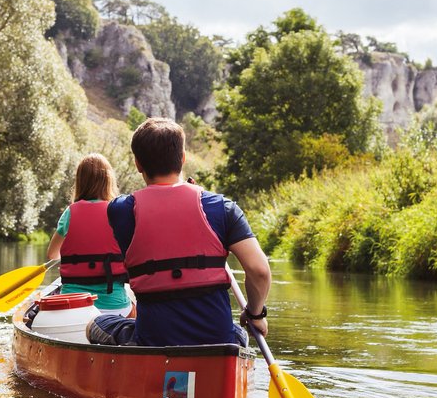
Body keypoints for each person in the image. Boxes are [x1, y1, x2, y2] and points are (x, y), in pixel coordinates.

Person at [86, 117, 270, 346]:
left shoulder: (120, 210)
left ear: (138, 164)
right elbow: (259, 271)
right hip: (216, 341)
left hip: (153, 340)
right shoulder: (223, 208)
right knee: (238, 333)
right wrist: (255, 314)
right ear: (182, 159)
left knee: (95, 324)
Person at [47, 153, 133, 316]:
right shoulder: (118, 212)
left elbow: (52, 254)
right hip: (114, 306)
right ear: (109, 181)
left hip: (72, 305)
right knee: (135, 308)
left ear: (80, 182)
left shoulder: (70, 213)